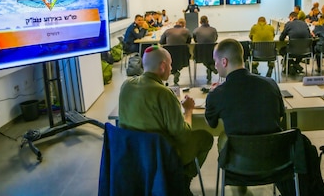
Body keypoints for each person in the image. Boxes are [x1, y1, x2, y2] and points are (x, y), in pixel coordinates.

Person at [119, 46, 213, 196]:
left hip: (133, 152)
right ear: (162, 66)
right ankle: (181, 180)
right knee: (205, 138)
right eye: (170, 64)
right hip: (161, 155)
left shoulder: (126, 86)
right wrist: (188, 110)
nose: (171, 68)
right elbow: (182, 134)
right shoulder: (164, 93)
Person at [205, 39, 285, 195]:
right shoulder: (270, 83)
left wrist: (211, 96)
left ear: (224, 61)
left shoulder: (218, 94)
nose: (215, 65)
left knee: (224, 137)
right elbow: (281, 116)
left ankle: (240, 190)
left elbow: (211, 124)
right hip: (275, 160)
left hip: (242, 163)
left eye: (215, 61)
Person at [160, 18, 192, 84]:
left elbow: (161, 42)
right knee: (178, 58)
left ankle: (174, 71)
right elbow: (189, 41)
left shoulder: (168, 31)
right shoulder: (186, 31)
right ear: (184, 25)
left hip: (169, 56)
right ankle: (175, 71)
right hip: (182, 57)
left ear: (176, 23)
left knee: (171, 58)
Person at [192, 15, 218, 83]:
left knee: (204, 55)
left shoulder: (196, 30)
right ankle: (211, 67)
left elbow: (195, 41)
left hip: (200, 55)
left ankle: (210, 67)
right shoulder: (213, 30)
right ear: (208, 21)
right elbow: (215, 39)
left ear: (200, 22)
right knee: (209, 57)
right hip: (212, 53)